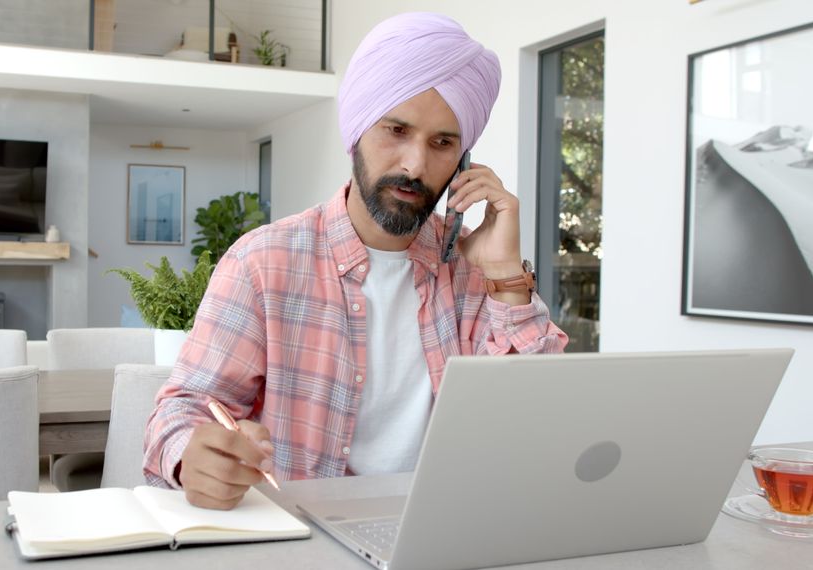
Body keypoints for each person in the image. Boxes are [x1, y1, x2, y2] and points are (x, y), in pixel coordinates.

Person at [143, 12, 569, 509]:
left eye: (442, 143)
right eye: (397, 129)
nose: (415, 165)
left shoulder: (477, 271)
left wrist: (504, 277)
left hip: (447, 531)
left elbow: (536, 427)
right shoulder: (264, 262)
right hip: (303, 539)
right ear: (358, 129)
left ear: (463, 161)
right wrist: (190, 456)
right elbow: (182, 411)